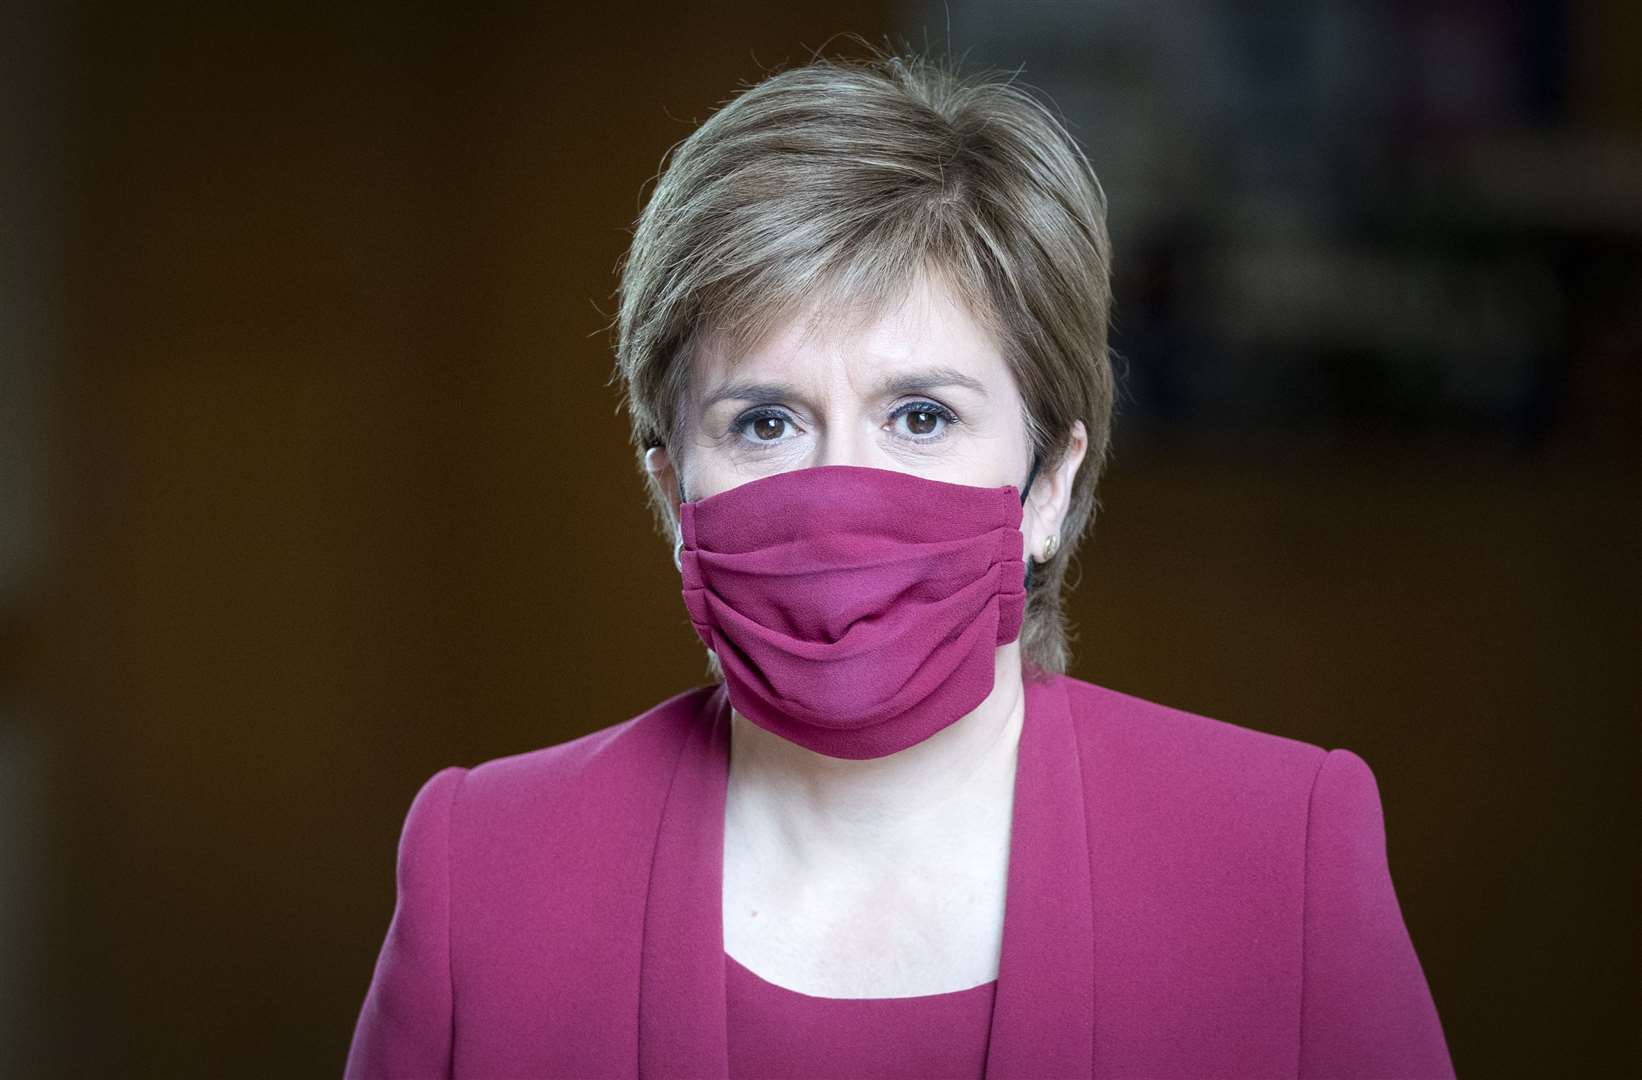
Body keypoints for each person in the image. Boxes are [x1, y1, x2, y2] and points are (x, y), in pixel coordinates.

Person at [345, 45, 1454, 1079]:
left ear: (1050, 484)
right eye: (765, 423)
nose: (840, 496)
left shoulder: (1283, 858)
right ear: (668, 486)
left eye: (920, 416)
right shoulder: (483, 871)